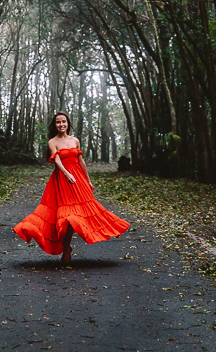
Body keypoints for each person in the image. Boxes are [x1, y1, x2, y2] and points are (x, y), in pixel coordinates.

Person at [13, 111, 130, 264]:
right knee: (67, 216)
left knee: (80, 213)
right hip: (62, 180)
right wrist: (66, 174)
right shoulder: (52, 142)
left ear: (68, 123)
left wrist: (88, 181)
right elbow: (57, 161)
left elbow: (81, 162)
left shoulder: (75, 140)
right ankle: (66, 248)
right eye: (58, 122)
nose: (61, 124)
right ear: (55, 125)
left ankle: (67, 247)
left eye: (63, 121)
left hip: (78, 180)